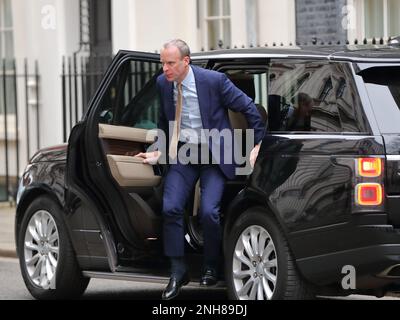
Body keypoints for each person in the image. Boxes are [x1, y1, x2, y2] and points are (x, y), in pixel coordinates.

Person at [136, 39, 266, 300]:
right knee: (171, 207)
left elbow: (248, 108)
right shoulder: (164, 84)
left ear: (186, 61)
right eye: (163, 63)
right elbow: (165, 120)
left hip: (214, 155)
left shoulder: (214, 82)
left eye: (170, 63)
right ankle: (177, 270)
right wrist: (158, 148)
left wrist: (258, 142)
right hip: (184, 154)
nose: (165, 69)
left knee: (209, 211)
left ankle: (210, 266)